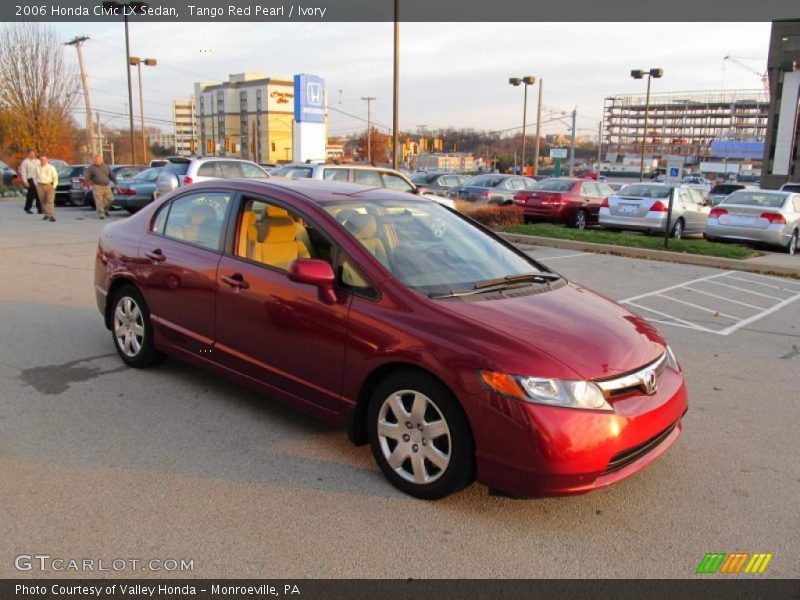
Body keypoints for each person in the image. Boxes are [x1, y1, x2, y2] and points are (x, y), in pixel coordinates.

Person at [84, 153, 117, 219]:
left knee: (110, 199)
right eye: (96, 159)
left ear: (101, 159)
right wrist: (85, 186)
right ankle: (101, 214)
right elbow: (87, 177)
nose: (97, 160)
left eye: (98, 159)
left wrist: (116, 182)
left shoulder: (106, 167)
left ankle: (104, 210)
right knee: (99, 201)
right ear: (94, 160)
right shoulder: (91, 168)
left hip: (106, 186)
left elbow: (112, 176)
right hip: (97, 186)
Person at [35, 154, 58, 222]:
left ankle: (51, 215)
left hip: (49, 185)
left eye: (44, 160)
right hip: (40, 185)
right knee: (43, 200)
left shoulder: (51, 168)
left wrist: (54, 187)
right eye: (41, 160)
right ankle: (46, 214)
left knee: (50, 200)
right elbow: (34, 177)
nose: (43, 161)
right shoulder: (37, 167)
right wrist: (36, 185)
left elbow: (55, 178)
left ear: (47, 160)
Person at [19, 149, 42, 214]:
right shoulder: (25, 162)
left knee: (39, 194)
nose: (32, 154)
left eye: (33, 153)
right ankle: (27, 208)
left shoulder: (38, 161)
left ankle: (40, 209)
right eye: (31, 153)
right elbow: (23, 172)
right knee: (31, 194)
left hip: (37, 179)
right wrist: (25, 181)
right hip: (30, 179)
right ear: (28, 154)